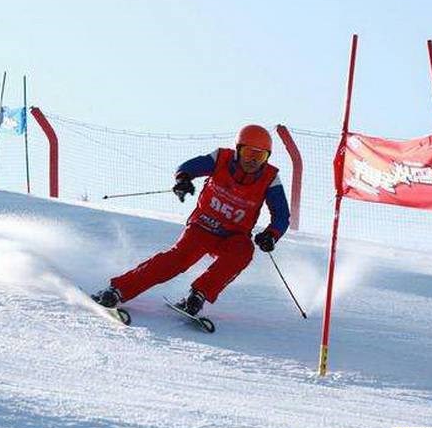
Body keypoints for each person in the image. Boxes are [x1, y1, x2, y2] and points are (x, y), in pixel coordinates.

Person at [92, 124, 290, 316]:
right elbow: (189, 167)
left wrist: (271, 235)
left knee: (244, 251)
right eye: (248, 153)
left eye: (260, 156)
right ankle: (118, 290)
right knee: (176, 260)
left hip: (233, 237)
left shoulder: (270, 178)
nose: (253, 161)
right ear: (238, 149)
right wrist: (183, 180)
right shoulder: (221, 158)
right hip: (202, 227)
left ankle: (198, 295)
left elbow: (281, 215)